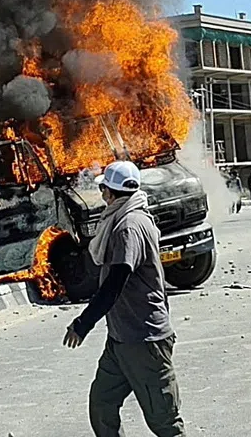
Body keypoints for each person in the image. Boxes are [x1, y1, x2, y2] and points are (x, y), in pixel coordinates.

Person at [64, 160, 185, 437]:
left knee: (165, 422)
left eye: (104, 189)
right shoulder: (124, 218)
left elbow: (115, 283)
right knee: (102, 405)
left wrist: (83, 323)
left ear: (110, 192)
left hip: (144, 340)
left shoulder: (129, 226)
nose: (102, 195)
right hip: (121, 338)